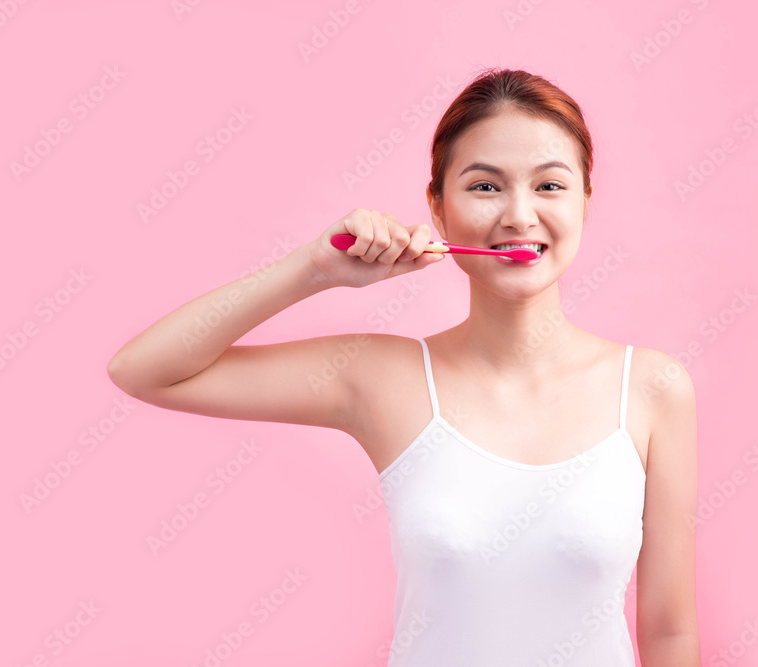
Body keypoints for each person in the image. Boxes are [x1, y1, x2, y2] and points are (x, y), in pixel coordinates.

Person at [107, 67, 700, 666]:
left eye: (550, 186)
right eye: (485, 187)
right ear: (437, 211)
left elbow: (671, 632)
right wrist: (313, 270)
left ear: (585, 203)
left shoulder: (651, 390)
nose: (520, 216)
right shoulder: (380, 378)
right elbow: (145, 370)